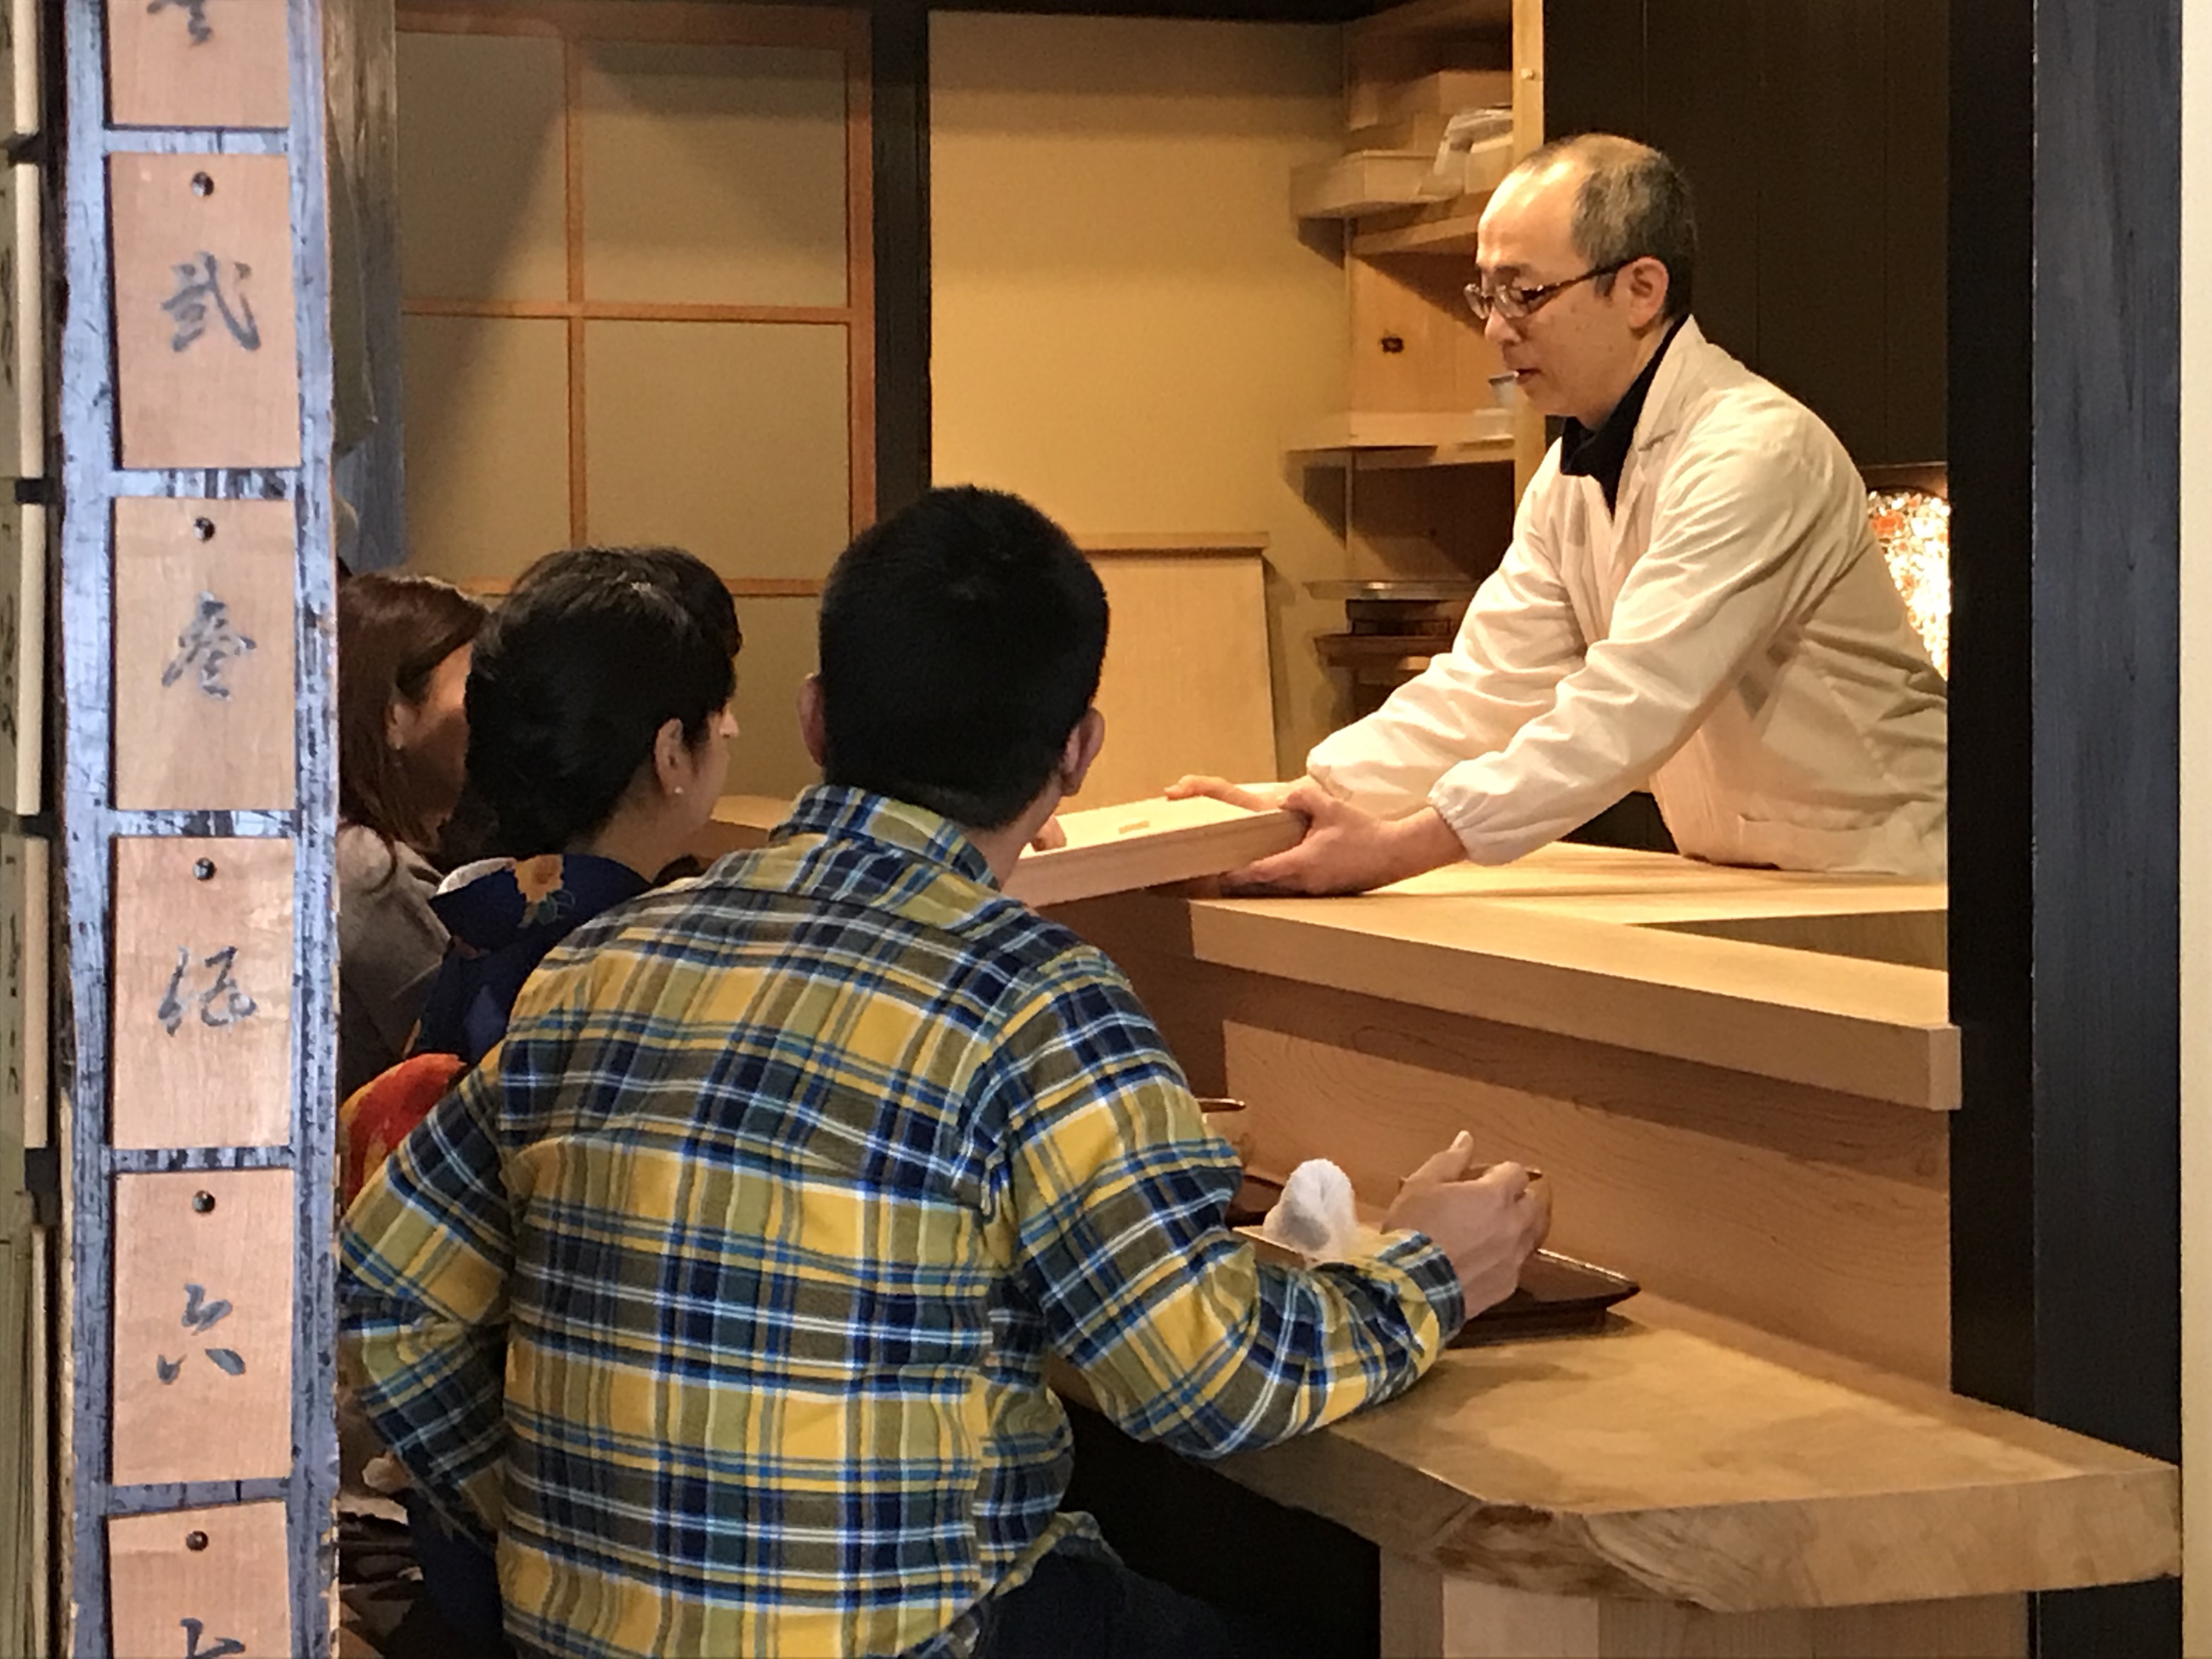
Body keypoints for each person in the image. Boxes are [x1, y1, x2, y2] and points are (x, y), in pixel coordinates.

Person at [339, 486, 1549, 1659]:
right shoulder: (1037, 1002)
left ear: (817, 720)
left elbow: (389, 1288)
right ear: (1077, 753)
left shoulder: (602, 960)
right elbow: (1208, 1378)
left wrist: (535, 1512)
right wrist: (1429, 1272)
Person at [1175, 134, 1947, 895]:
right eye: (1486, 294)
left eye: (1526, 293)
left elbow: (1634, 699)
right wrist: (1303, 800)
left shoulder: (1756, 451)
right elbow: (1488, 686)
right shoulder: (1567, 474)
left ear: (1641, 289)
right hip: (1755, 880)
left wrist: (1396, 849)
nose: (1496, 327)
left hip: (1896, 877)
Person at [340, 545, 743, 1659]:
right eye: (719, 713)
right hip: (593, 1537)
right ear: (672, 753)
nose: (734, 735)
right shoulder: (628, 975)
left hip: (468, 1517)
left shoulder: (489, 926)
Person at [336, 572, 487, 1101]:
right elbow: (484, 1062)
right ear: (392, 715)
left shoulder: (337, 845)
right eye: (477, 688)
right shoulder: (373, 875)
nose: (499, 715)